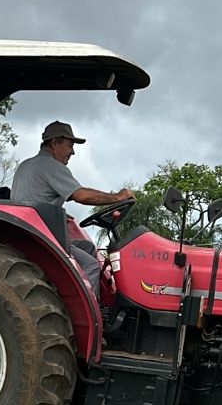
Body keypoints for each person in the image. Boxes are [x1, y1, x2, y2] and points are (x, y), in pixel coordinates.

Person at [9, 120, 133, 293]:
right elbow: (81, 195)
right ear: (54, 143)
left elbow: (31, 199)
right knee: (90, 266)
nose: (73, 152)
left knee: (89, 247)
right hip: (43, 238)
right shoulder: (51, 166)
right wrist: (118, 197)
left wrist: (56, 213)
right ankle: (93, 318)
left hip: (31, 231)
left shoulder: (26, 165)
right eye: (70, 145)